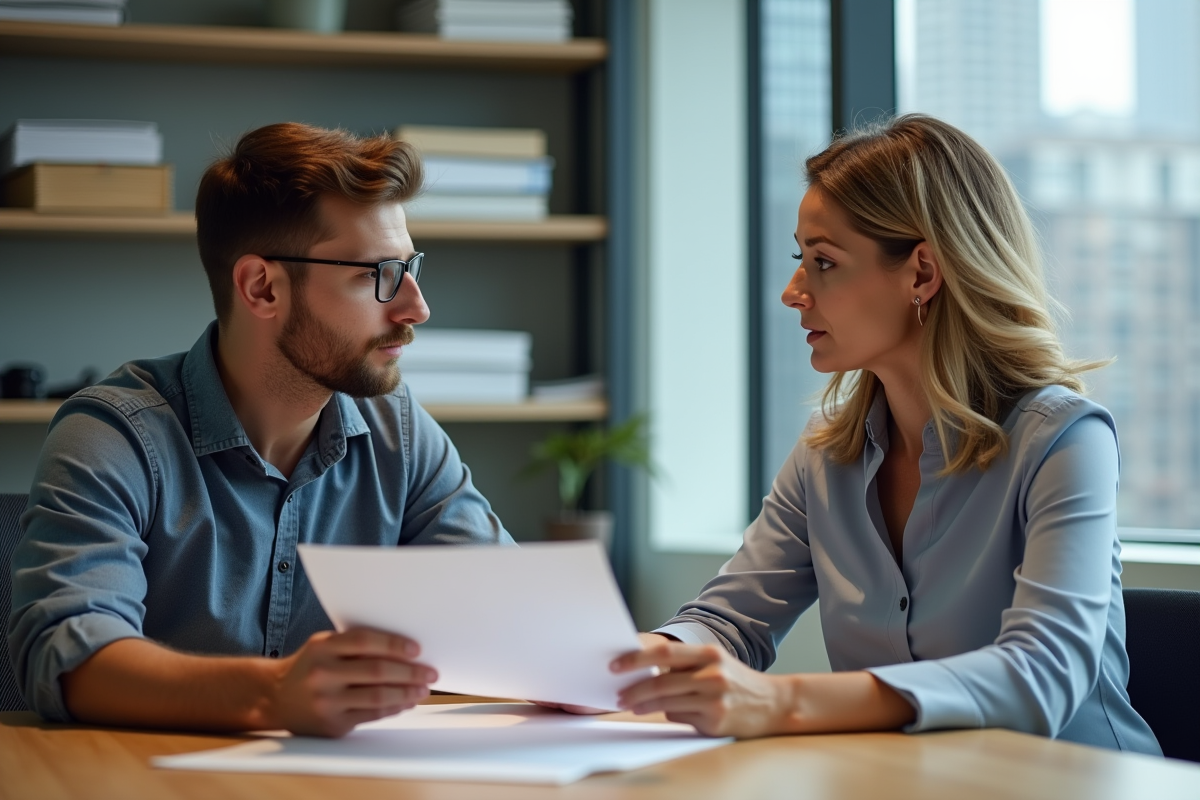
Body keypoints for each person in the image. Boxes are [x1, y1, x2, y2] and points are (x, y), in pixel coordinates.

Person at [611, 114, 1161, 755]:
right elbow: (728, 623)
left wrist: (781, 701)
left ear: (922, 273)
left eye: (823, 262)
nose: (792, 292)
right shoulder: (826, 453)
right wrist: (635, 662)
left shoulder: (1064, 439)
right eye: (799, 259)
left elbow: (1042, 674)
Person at [7, 122, 513, 737]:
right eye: (376, 274)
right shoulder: (116, 435)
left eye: (410, 268)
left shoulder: (399, 433)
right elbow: (67, 657)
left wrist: (617, 655)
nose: (416, 307)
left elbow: (514, 611)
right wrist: (273, 694)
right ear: (262, 287)